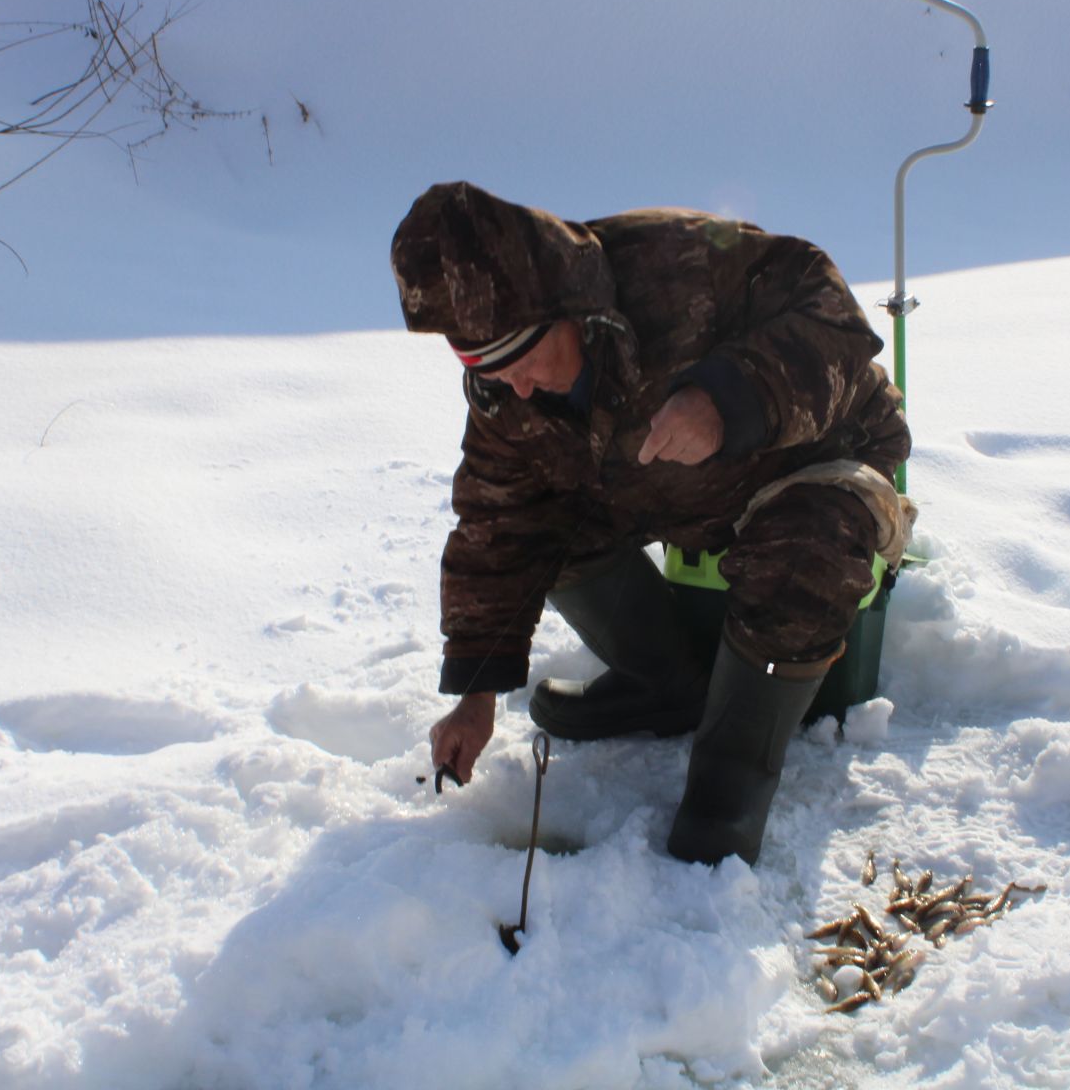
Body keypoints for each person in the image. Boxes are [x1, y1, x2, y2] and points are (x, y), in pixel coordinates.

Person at [390, 181, 911, 865]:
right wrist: (476, 691)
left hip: (818, 453)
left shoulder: (672, 261)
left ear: (562, 307)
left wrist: (728, 397)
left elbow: (836, 318)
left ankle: (728, 793)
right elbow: (499, 526)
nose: (513, 386)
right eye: (484, 367)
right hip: (682, 486)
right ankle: (668, 688)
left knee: (801, 552)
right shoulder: (507, 392)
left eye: (522, 357)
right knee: (546, 525)